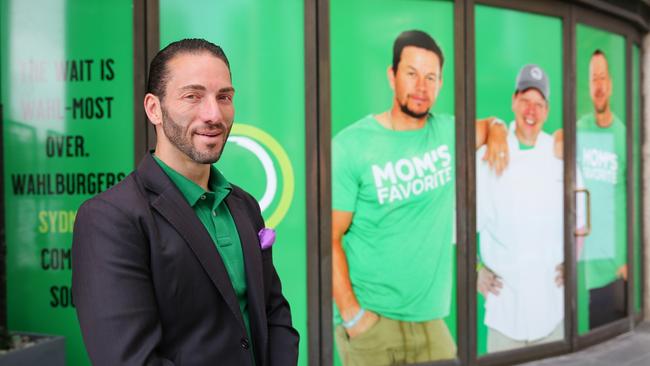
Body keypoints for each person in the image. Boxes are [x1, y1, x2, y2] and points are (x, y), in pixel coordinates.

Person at [72, 38, 299, 366]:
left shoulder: (244, 205)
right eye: (192, 96)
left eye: (224, 97)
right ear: (154, 109)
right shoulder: (111, 218)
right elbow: (129, 359)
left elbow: (273, 312)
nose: (214, 114)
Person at [331, 29, 508, 365]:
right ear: (392, 75)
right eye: (412, 74)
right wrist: (353, 317)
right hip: (373, 322)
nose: (422, 87)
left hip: (430, 323)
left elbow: (487, 125)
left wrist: (498, 130)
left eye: (431, 77)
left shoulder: (447, 134)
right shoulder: (351, 146)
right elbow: (328, 238)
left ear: (441, 83)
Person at [476, 65, 564, 352]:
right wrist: (473, 269)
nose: (531, 111)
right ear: (514, 101)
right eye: (525, 101)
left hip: (552, 314)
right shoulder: (489, 153)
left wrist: (573, 260)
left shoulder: (558, 153)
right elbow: (462, 221)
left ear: (547, 111)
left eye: (539, 105)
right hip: (505, 316)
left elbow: (580, 217)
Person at [577, 49, 627, 329]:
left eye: (602, 77)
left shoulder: (622, 135)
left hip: (621, 268)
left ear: (611, 84)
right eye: (593, 78)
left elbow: (636, 198)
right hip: (592, 269)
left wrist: (631, 256)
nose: (598, 85)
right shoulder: (580, 130)